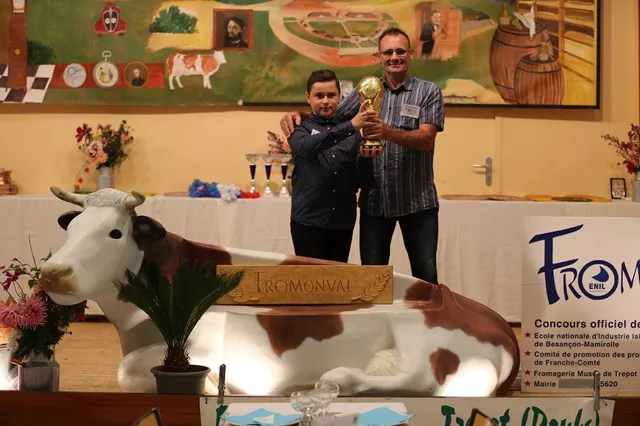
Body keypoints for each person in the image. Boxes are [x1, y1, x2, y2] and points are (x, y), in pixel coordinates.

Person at [280, 28, 445, 284]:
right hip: (375, 202)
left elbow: (426, 139)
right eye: (388, 52)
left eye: (400, 51)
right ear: (378, 56)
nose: (394, 57)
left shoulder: (428, 91)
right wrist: (301, 116)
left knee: (425, 276)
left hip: (416, 201)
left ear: (410, 54)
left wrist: (387, 133)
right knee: (372, 279)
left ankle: (428, 313)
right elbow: (331, 118)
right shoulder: (366, 89)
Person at [288, 69, 383, 263]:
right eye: (319, 96)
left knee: (337, 279)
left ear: (339, 97)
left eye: (331, 95)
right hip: (308, 221)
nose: (326, 101)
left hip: (341, 222)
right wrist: (351, 126)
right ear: (308, 97)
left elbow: (363, 182)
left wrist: (366, 159)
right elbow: (306, 147)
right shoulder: (298, 128)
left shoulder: (354, 135)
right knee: (309, 280)